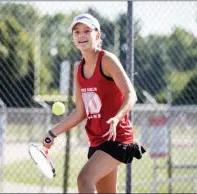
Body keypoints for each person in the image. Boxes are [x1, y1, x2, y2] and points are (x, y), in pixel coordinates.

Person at [42, 13, 146, 193]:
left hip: (117, 138)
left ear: (97, 36)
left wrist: (116, 118)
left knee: (84, 179)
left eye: (86, 31)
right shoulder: (78, 69)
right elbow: (80, 113)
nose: (81, 35)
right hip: (96, 141)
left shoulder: (107, 60)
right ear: (73, 38)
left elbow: (131, 94)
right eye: (77, 32)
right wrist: (52, 133)